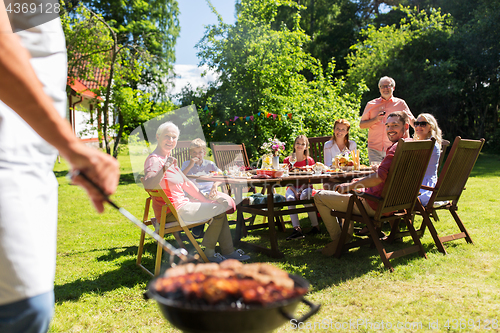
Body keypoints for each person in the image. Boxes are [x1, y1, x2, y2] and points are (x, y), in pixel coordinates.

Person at [0, 5, 120, 333]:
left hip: (32, 163)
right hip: (7, 156)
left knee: (31, 309)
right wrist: (72, 147)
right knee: (25, 308)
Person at [143, 122, 250, 263]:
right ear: (158, 136)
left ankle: (227, 252)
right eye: (166, 136)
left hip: (181, 206)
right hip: (171, 212)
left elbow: (187, 184)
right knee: (219, 210)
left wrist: (206, 200)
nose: (170, 140)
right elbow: (149, 184)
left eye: (174, 137)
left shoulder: (169, 160)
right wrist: (164, 167)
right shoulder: (154, 160)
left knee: (219, 207)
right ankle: (210, 254)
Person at [314, 111, 410, 255]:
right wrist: (357, 183)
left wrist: (351, 186)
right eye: (388, 125)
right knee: (351, 187)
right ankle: (347, 234)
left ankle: (340, 239)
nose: (390, 129)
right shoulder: (411, 146)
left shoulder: (395, 149)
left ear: (406, 126)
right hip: (395, 203)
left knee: (319, 196)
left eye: (395, 125)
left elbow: (379, 177)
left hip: (374, 204)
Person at [360, 76, 415, 164]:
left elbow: (412, 120)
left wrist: (423, 134)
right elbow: (362, 125)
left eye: (388, 86)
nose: (385, 88)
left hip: (395, 148)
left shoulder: (400, 104)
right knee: (377, 175)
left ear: (393, 88)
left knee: (394, 175)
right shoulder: (371, 104)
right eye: (382, 86)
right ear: (379, 89)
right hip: (374, 149)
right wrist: (375, 119)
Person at [181, 138, 222, 237]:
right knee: (204, 202)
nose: (197, 155)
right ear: (190, 153)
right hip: (193, 193)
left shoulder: (210, 164)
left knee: (220, 202)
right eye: (194, 152)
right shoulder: (186, 164)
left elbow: (221, 175)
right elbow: (180, 177)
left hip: (209, 192)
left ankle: (203, 226)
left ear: (204, 153)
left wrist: (215, 186)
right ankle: (199, 225)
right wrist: (190, 165)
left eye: (200, 152)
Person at [282, 135, 320, 240]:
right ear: (294, 145)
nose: (300, 145)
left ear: (306, 147)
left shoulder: (309, 160)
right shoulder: (287, 160)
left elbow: (310, 179)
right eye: (298, 143)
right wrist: (295, 190)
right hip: (291, 187)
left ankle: (315, 226)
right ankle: (297, 229)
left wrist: (301, 189)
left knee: (304, 197)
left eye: (303, 144)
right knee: (290, 199)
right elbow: (286, 179)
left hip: (306, 186)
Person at [413, 113, 443, 206]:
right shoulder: (429, 143)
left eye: (423, 124)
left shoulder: (429, 145)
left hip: (424, 189)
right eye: (416, 123)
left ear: (431, 127)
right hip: (425, 185)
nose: (418, 126)